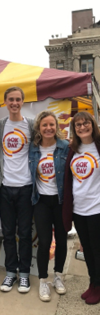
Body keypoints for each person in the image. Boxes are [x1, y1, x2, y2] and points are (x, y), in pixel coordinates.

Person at [29, 111, 69, 302]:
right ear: (39, 127)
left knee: (62, 240)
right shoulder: (33, 149)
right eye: (44, 125)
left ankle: (58, 276)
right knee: (44, 242)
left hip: (61, 202)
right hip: (41, 201)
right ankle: (43, 280)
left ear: (57, 126)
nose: (48, 128)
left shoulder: (66, 147)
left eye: (52, 124)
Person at [0, 86, 34, 293]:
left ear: (22, 101)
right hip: (5, 187)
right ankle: (11, 272)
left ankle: (25, 274)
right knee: (8, 233)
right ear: (5, 102)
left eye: (18, 99)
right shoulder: (2, 125)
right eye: (10, 99)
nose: (14, 103)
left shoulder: (30, 124)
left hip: (26, 187)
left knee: (26, 233)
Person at [63, 111, 100, 305]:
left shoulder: (98, 147)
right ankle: (93, 283)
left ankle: (98, 286)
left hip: (97, 209)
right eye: (78, 125)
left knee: (97, 250)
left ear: (92, 125)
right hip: (79, 210)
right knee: (87, 251)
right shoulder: (73, 149)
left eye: (86, 123)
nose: (82, 127)